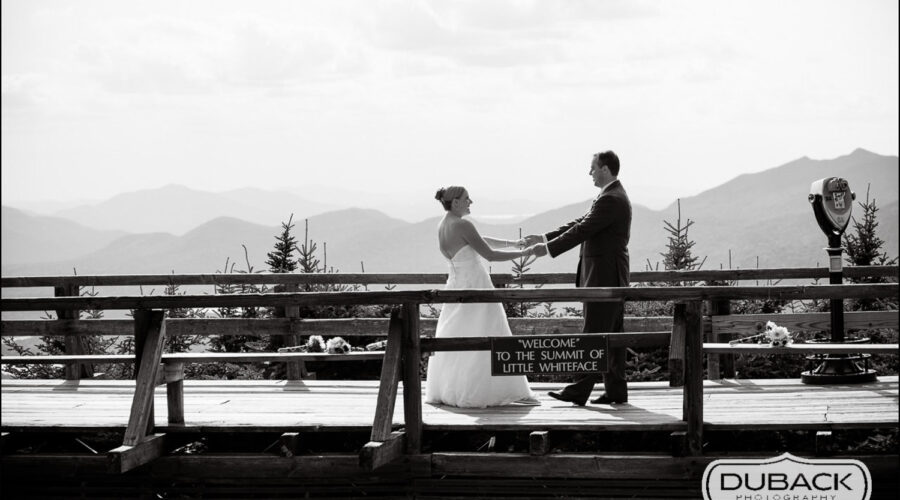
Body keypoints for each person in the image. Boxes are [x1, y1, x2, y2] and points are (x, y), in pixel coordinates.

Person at [523, 150, 631, 405]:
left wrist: (548, 249)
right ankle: (616, 391)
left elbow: (583, 229)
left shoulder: (612, 199)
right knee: (611, 335)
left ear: (605, 169)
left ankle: (578, 391)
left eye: (592, 168)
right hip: (608, 275)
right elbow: (580, 222)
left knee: (593, 334)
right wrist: (545, 238)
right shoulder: (610, 195)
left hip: (604, 277)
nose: (590, 172)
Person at [425, 185, 542, 407]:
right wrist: (525, 252)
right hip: (477, 286)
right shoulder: (463, 224)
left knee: (458, 334)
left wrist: (512, 243)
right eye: (467, 199)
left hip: (456, 286)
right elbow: (490, 254)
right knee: (490, 332)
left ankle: (454, 388)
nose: (471, 202)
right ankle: (488, 390)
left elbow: (479, 239)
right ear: (456, 202)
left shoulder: (444, 225)